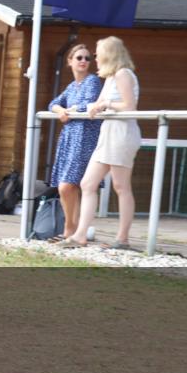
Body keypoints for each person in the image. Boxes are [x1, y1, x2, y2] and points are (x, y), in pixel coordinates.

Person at [63, 36, 141, 249]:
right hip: (107, 133)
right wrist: (90, 108)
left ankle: (122, 238)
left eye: (96, 55)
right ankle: (80, 235)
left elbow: (129, 106)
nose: (94, 59)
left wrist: (105, 104)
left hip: (122, 133)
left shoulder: (124, 74)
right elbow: (99, 103)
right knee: (88, 183)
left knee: (121, 186)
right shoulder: (110, 77)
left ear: (109, 54)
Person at [46, 44, 103, 240]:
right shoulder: (71, 87)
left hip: (85, 137)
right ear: (70, 61)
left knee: (67, 185)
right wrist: (60, 111)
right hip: (70, 137)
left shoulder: (92, 81)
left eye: (87, 58)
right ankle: (75, 230)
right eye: (79, 57)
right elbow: (53, 104)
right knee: (69, 186)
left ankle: (71, 229)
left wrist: (68, 111)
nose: (84, 61)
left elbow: (88, 104)